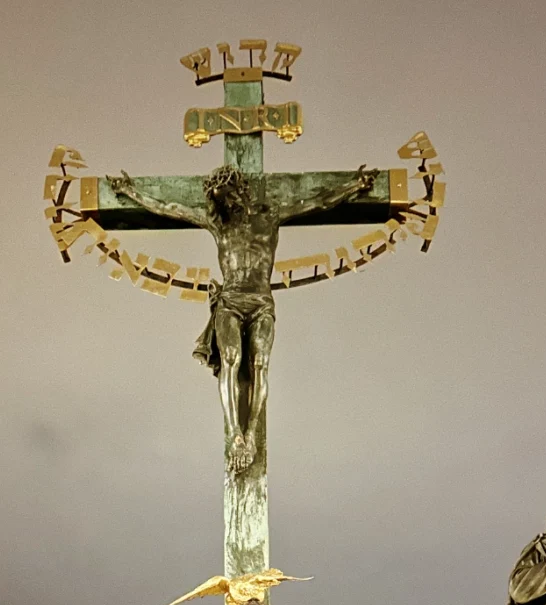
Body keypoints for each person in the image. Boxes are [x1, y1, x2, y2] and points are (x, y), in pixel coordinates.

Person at [109, 164, 376, 473]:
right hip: (231, 302)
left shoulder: (269, 217)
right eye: (218, 201)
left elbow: (317, 202)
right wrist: (131, 192)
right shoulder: (218, 224)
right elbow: (171, 208)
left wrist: (354, 187)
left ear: (239, 193)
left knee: (260, 363)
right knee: (232, 358)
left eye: (226, 198)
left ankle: (251, 435)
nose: (222, 206)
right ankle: (236, 435)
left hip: (261, 302)